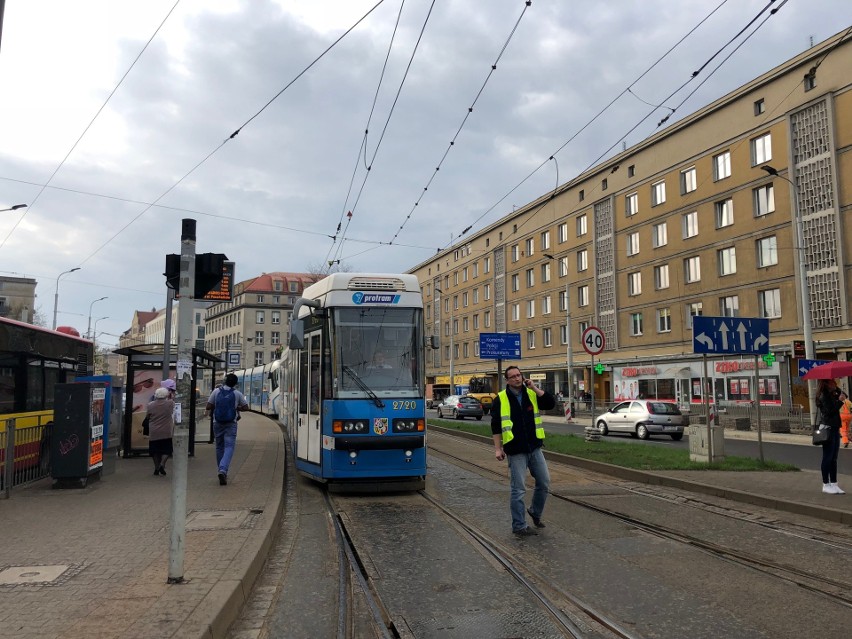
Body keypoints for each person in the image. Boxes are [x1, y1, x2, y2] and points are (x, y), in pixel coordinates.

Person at [491, 365, 556, 536]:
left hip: (534, 447)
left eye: (518, 375)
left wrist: (534, 387)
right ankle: (519, 525)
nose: (516, 379)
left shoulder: (531, 393)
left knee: (544, 482)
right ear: (507, 380)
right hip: (516, 450)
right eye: (512, 377)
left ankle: (535, 512)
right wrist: (498, 449)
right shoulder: (501, 398)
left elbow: (550, 403)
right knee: (518, 489)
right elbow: (496, 426)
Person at [206, 373, 248, 486]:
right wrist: (236, 407)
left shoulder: (216, 392)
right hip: (231, 423)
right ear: (235, 383)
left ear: (224, 381)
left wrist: (217, 407)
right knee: (229, 446)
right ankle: (223, 470)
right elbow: (246, 407)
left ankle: (221, 469)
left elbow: (208, 406)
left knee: (219, 447)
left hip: (217, 422)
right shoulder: (237, 393)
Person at [815, 378, 844, 494]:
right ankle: (826, 484)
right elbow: (829, 411)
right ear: (826, 383)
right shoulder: (823, 396)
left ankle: (834, 483)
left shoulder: (832, 393)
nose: (835, 383)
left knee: (834, 458)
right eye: (832, 382)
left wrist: (836, 389)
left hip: (835, 427)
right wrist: (840, 402)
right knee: (827, 457)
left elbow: (843, 394)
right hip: (827, 428)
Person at [146, 386, 174, 476]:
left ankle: (156, 467)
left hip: (154, 431)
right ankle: (162, 464)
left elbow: (148, 417)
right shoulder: (170, 403)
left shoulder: (150, 405)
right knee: (166, 450)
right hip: (166, 430)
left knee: (155, 451)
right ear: (166, 395)